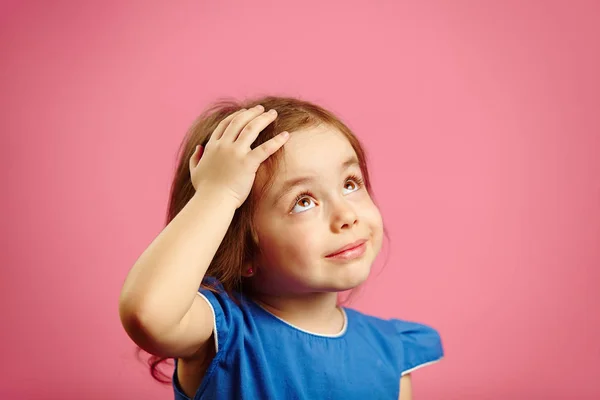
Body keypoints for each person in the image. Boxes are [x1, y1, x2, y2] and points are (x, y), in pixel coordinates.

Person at [119, 96, 444, 399]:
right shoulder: (220, 334)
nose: (346, 216)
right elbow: (147, 314)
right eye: (303, 202)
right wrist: (217, 193)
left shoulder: (393, 354)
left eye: (350, 184)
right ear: (243, 250)